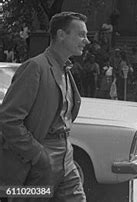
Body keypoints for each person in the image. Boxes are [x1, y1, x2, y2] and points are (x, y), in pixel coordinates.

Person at [0, 11, 89, 200]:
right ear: (61, 35)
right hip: (42, 157)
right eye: (81, 34)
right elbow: (9, 119)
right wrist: (38, 154)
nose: (86, 41)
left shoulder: (65, 69)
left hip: (66, 155)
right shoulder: (35, 67)